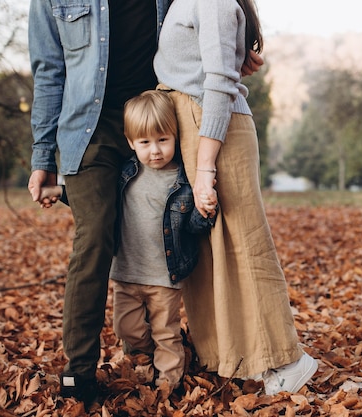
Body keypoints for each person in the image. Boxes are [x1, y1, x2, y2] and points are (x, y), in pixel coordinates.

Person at [27, 0, 261, 407]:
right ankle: (79, 371)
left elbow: (205, 17)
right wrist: (42, 156)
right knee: (95, 235)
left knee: (193, 218)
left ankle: (212, 345)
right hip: (89, 130)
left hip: (159, 119)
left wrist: (236, 46)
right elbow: (49, 70)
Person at [153, 0, 318, 395]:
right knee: (215, 254)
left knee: (246, 247)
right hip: (197, 127)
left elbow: (220, 82)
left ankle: (289, 361)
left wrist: (206, 167)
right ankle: (245, 358)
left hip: (213, 133)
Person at [41, 90, 217, 391]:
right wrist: (60, 192)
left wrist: (206, 210)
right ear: (130, 142)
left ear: (175, 136)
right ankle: (146, 357)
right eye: (145, 143)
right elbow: (96, 201)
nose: (155, 151)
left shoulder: (183, 180)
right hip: (127, 273)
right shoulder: (125, 173)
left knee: (166, 332)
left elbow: (193, 225)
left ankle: (168, 384)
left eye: (163, 140)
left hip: (165, 276)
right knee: (127, 328)